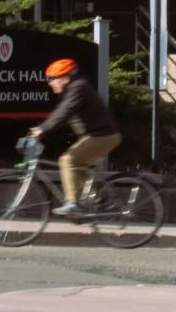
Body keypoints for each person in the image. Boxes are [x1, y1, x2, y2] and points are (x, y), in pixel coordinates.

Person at [30, 56, 122, 217]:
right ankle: (97, 200)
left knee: (67, 160)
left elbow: (63, 112)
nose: (50, 83)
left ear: (65, 78)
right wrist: (45, 130)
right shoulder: (75, 89)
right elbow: (66, 116)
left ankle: (72, 204)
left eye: (53, 79)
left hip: (104, 136)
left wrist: (42, 129)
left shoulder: (78, 88)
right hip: (100, 135)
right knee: (78, 164)